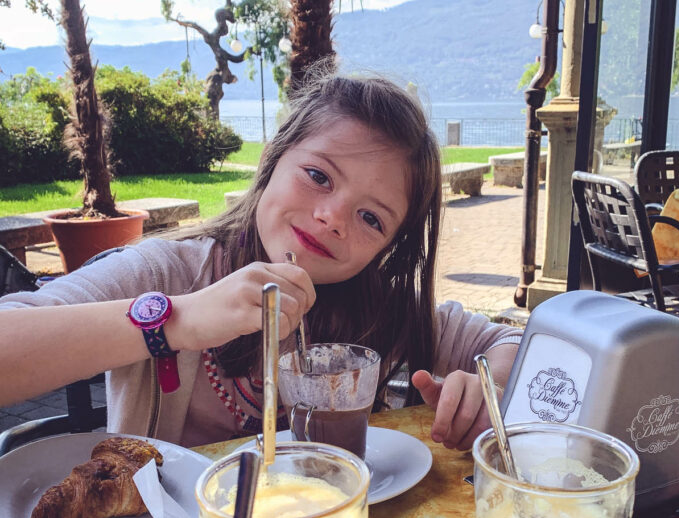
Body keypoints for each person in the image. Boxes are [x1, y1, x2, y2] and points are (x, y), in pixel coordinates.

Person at [0, 73, 521, 450]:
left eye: (371, 218)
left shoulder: (384, 308)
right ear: (274, 158)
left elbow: (511, 341)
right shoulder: (168, 273)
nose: (332, 218)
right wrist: (179, 319)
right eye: (318, 176)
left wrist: (488, 388)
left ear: (390, 247)